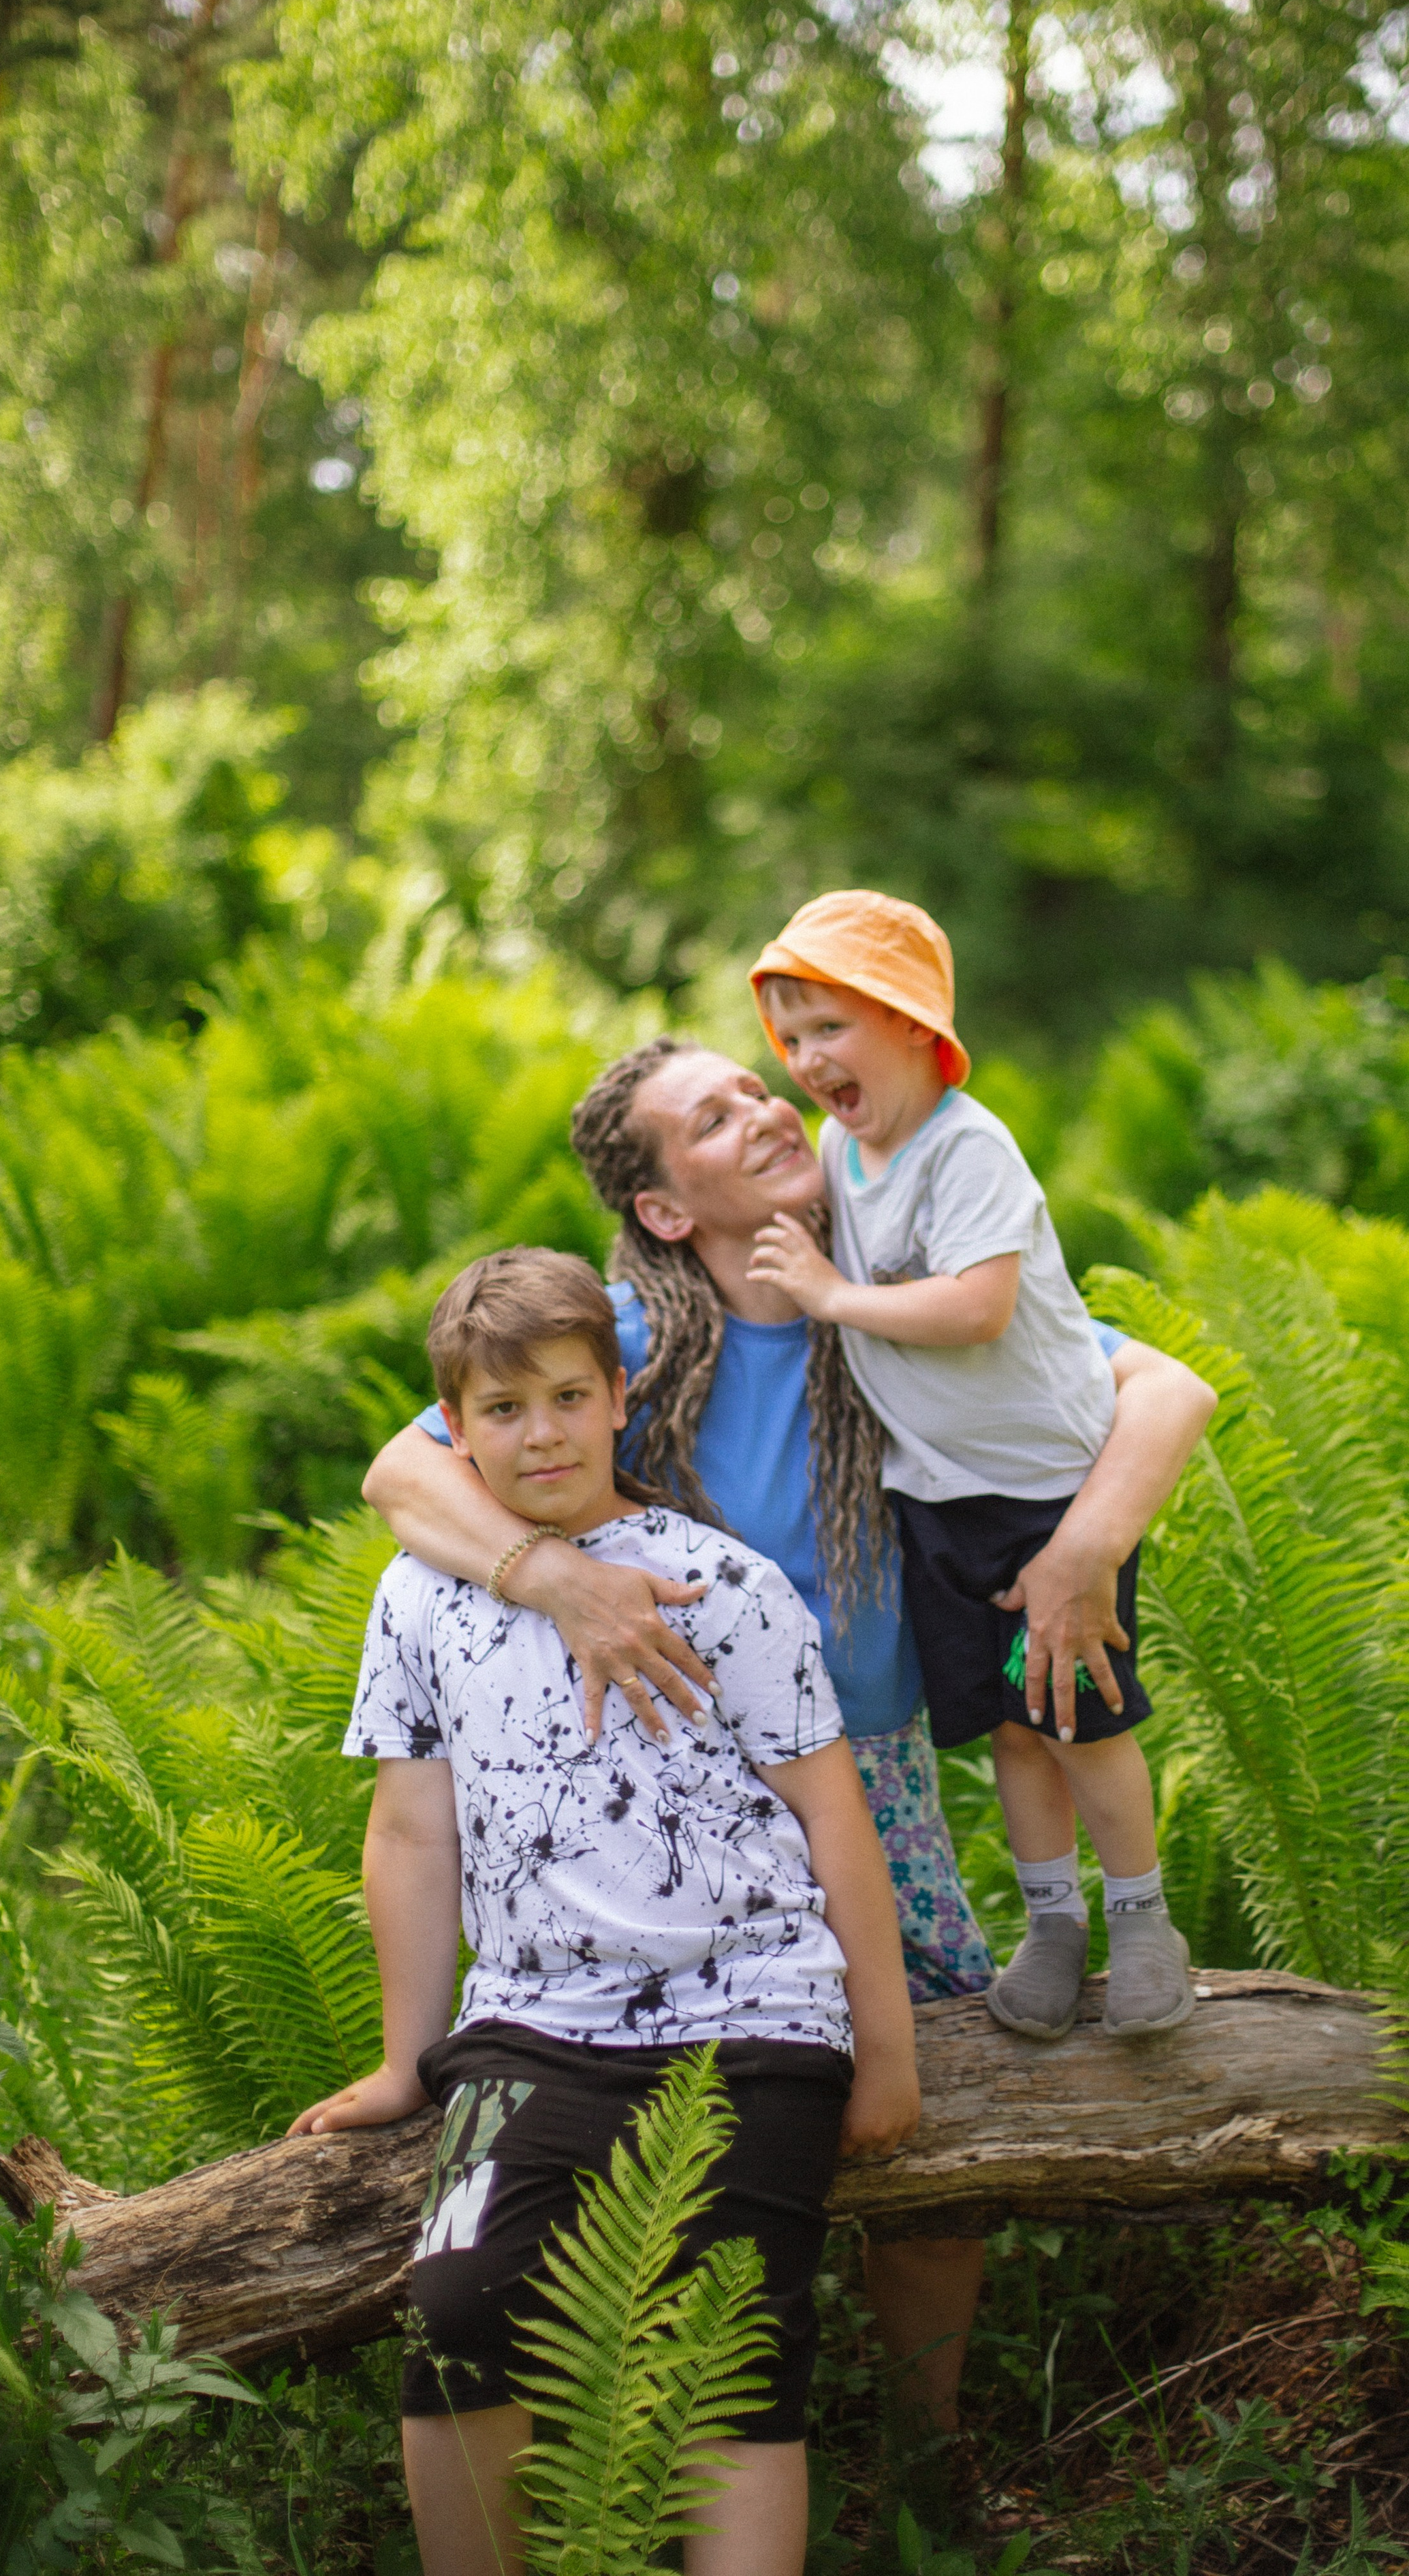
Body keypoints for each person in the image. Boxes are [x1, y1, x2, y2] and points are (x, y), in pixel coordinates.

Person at [362, 1036, 1214, 2440]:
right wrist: (554, 1577)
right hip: (681, 1782)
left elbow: (1162, 1390)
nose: (765, 1109)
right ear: (661, 1209)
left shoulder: (899, 1294)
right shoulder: (633, 1337)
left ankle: (925, 2443)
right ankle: (653, 2420)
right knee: (694, 2106)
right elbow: (407, 1466)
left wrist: (1083, 1548)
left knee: (924, 2087)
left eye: (756, 1088)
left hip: (863, 1775)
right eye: (711, 1118)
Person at [291, 1246, 919, 2576]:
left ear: (620, 1393)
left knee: (732, 2361)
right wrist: (409, 2062)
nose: (541, 1435)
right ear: (448, 1427)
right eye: (502, 1411)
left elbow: (831, 1815)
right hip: (531, 2028)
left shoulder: (723, 1584)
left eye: (569, 1398)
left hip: (756, 2016)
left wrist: (888, 2049)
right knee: (456, 2318)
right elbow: (410, 1829)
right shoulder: (418, 1595)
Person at [748, 889, 1216, 2046]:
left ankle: (1144, 1920)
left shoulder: (967, 1144)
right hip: (940, 1499)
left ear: (911, 1020)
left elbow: (976, 1305)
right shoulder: (838, 1150)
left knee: (1082, 1718)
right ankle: (1053, 1925)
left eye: (831, 1027)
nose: (807, 1061)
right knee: (1013, 1729)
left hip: (1047, 1486)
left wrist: (827, 1295)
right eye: (790, 1036)